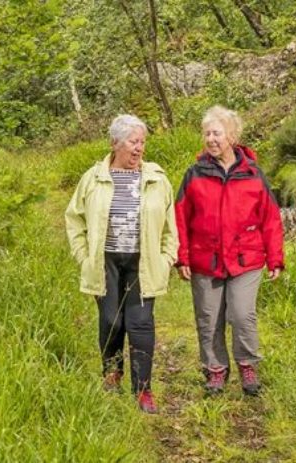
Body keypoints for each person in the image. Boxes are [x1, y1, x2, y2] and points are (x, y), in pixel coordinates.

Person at [65, 114, 180, 413]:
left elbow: (171, 227)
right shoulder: (93, 178)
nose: (139, 148)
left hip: (143, 262)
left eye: (142, 141)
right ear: (115, 143)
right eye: (133, 141)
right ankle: (111, 374)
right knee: (111, 321)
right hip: (106, 262)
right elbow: (73, 218)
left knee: (140, 324)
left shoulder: (157, 179)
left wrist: (167, 259)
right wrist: (83, 255)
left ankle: (143, 389)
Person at [175, 105, 283, 397]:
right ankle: (215, 371)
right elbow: (180, 218)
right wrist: (182, 256)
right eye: (207, 133)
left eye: (217, 133)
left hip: (245, 259)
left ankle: (247, 365)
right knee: (208, 318)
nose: (211, 139)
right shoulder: (194, 174)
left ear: (232, 136)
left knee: (242, 313)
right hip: (204, 259)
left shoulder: (253, 174)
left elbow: (270, 218)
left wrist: (275, 258)